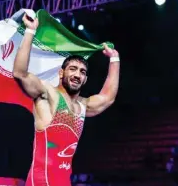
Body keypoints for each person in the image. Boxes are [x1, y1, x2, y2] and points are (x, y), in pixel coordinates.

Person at [12, 14, 120, 186]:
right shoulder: (48, 95)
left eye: (82, 72)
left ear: (85, 80)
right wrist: (30, 31)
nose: (77, 74)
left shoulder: (83, 106)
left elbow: (107, 98)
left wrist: (114, 59)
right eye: (73, 69)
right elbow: (20, 73)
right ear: (61, 73)